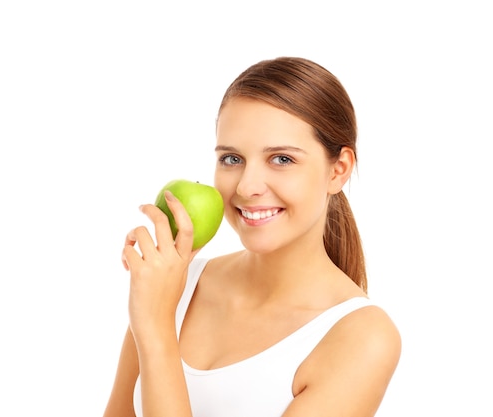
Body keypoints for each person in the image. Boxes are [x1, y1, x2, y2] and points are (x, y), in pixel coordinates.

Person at [103, 56, 401, 417]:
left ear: (338, 170)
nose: (246, 186)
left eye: (281, 159)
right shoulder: (175, 285)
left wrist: (156, 329)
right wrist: (156, 312)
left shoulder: (362, 337)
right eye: (231, 159)